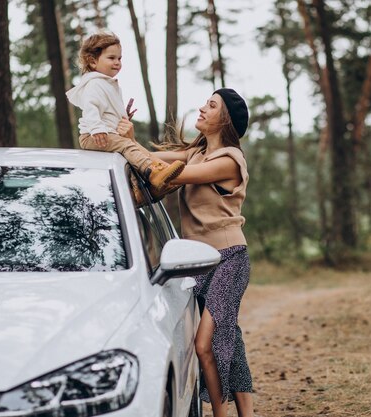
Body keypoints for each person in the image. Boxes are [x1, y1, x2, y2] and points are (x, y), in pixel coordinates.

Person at [115, 88, 254, 417]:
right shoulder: (197, 154)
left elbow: (172, 173)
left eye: (212, 105)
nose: (202, 108)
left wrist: (131, 144)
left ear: (225, 120)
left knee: (205, 344)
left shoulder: (229, 161)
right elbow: (146, 159)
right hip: (196, 263)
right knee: (228, 338)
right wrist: (125, 136)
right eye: (206, 102)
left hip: (228, 259)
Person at [65, 30, 184, 193]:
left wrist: (123, 116)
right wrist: (97, 129)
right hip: (94, 136)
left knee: (131, 150)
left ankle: (146, 185)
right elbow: (90, 108)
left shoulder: (108, 84)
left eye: (119, 58)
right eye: (111, 58)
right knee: (128, 146)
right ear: (92, 62)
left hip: (106, 133)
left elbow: (106, 110)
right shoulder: (94, 84)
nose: (117, 62)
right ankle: (153, 171)